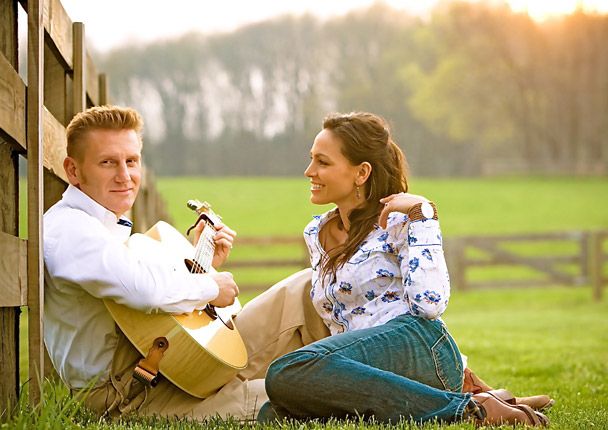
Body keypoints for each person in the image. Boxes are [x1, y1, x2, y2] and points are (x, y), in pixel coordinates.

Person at [259, 112, 550, 426]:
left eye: (322, 162)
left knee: (286, 372)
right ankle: (472, 400)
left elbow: (430, 305)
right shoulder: (316, 233)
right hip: (371, 365)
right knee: (274, 412)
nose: (309, 171)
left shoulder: (400, 222)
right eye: (311, 159)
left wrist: (422, 216)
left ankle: (471, 410)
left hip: (419, 342)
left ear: (361, 173)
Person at [43, 105, 329, 422]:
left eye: (131, 161)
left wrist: (201, 264)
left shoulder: (103, 225)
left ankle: (361, 363)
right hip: (131, 392)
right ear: (73, 170)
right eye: (107, 162)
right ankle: (365, 387)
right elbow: (144, 290)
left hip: (168, 358)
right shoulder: (70, 230)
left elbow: (144, 296)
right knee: (307, 396)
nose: (125, 176)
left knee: (307, 287)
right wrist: (209, 286)